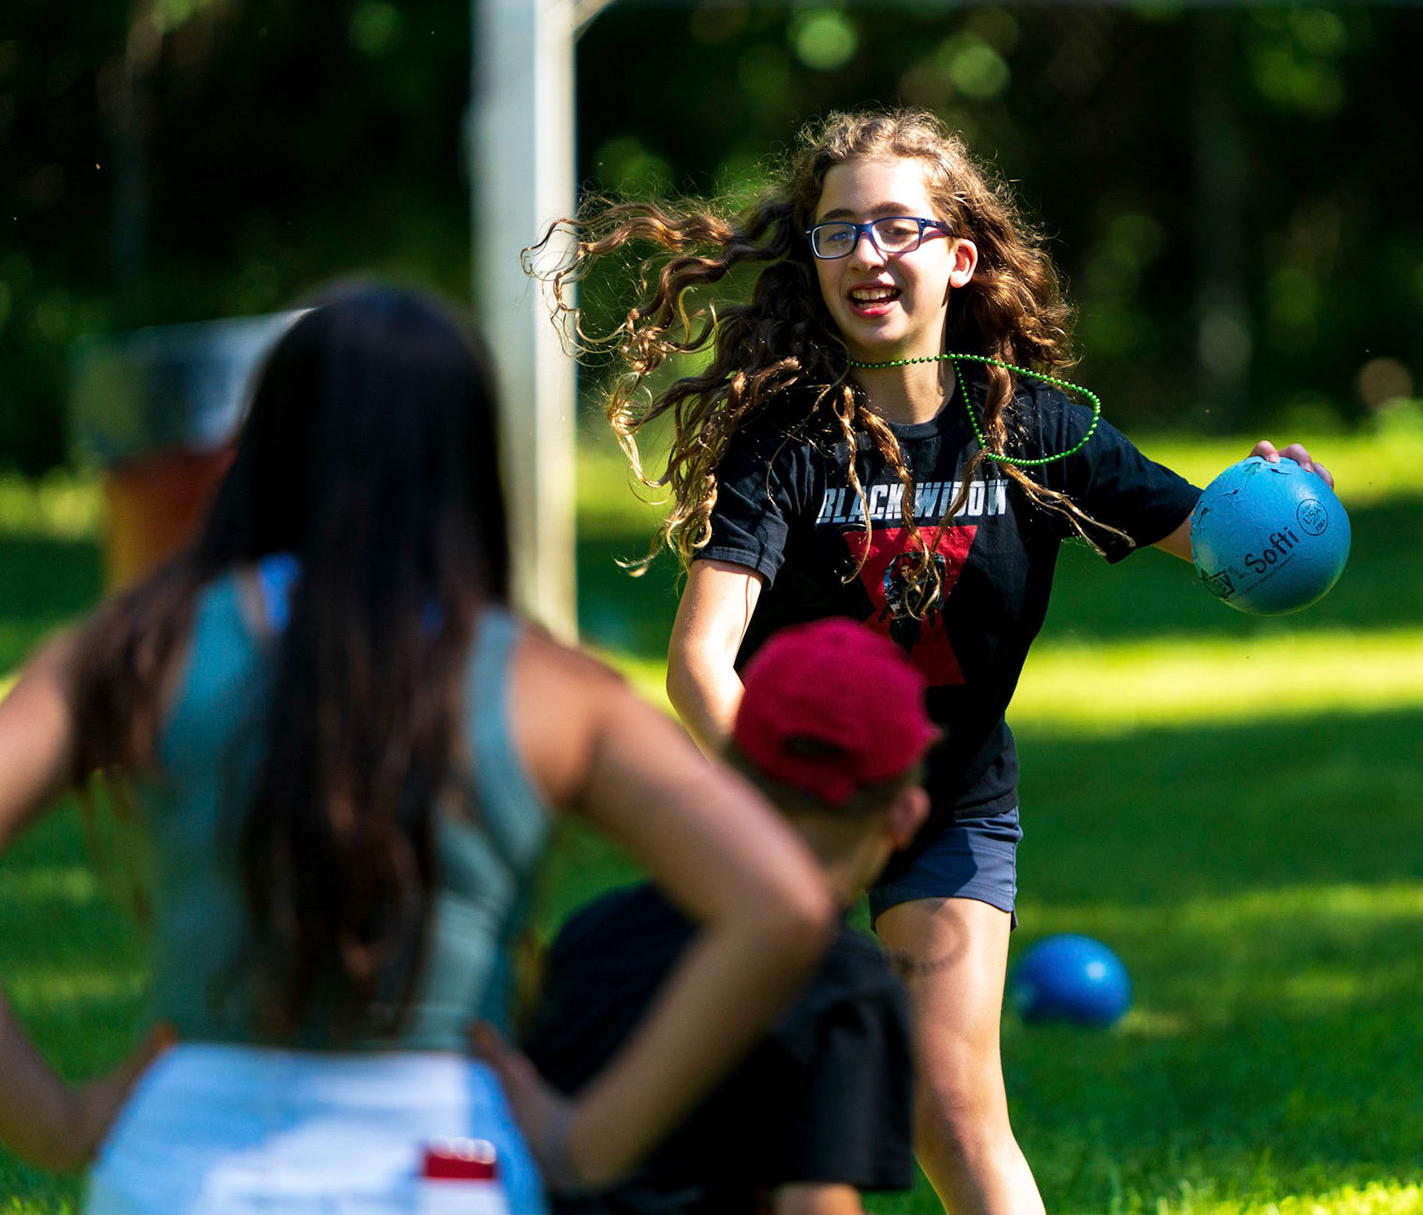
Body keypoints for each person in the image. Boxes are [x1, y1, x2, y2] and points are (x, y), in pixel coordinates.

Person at [542, 108, 1332, 1214]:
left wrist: (1276, 502)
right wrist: (789, 806)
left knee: (952, 1109)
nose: (866, 253)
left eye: (897, 227)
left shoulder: (1033, 426)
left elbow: (1215, 538)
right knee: (748, 1114)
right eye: (838, 231)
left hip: (950, 802)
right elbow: (697, 663)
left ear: (959, 257)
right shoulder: (788, 442)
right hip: (790, 809)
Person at [0, 285, 837, 1214]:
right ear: (470, 461)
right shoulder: (548, 688)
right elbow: (783, 903)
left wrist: (51, 1122)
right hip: (441, 1166)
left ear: (267, 439)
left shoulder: (140, 648)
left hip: (180, 1161)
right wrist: (587, 1138)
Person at [505, 617, 934, 1215]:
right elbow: (814, 1202)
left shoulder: (592, 935)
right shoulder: (845, 985)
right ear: (906, 815)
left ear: (726, 772)